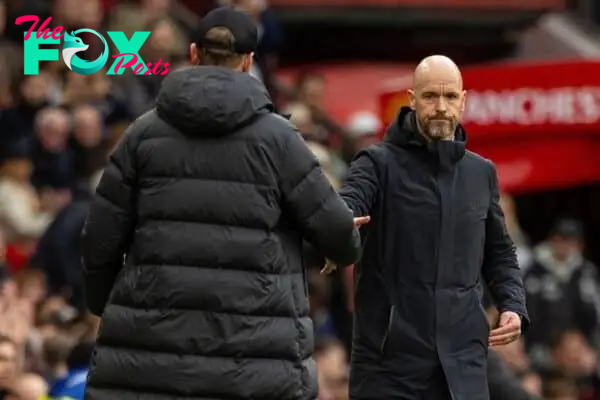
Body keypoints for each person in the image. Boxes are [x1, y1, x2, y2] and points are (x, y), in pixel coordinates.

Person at [82, 6, 365, 400]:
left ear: (194, 54)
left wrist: (107, 306)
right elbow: (337, 232)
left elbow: (99, 237)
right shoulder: (280, 139)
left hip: (148, 363)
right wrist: (344, 243)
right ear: (249, 62)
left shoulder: (142, 133)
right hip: (255, 363)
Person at [331, 55, 529, 399]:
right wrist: (337, 225)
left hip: (462, 362)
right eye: (430, 97)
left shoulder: (481, 173)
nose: (441, 107)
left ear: (463, 101)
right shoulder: (377, 163)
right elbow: (348, 203)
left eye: (450, 97)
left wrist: (512, 304)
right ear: (412, 100)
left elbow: (500, 252)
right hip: (389, 364)